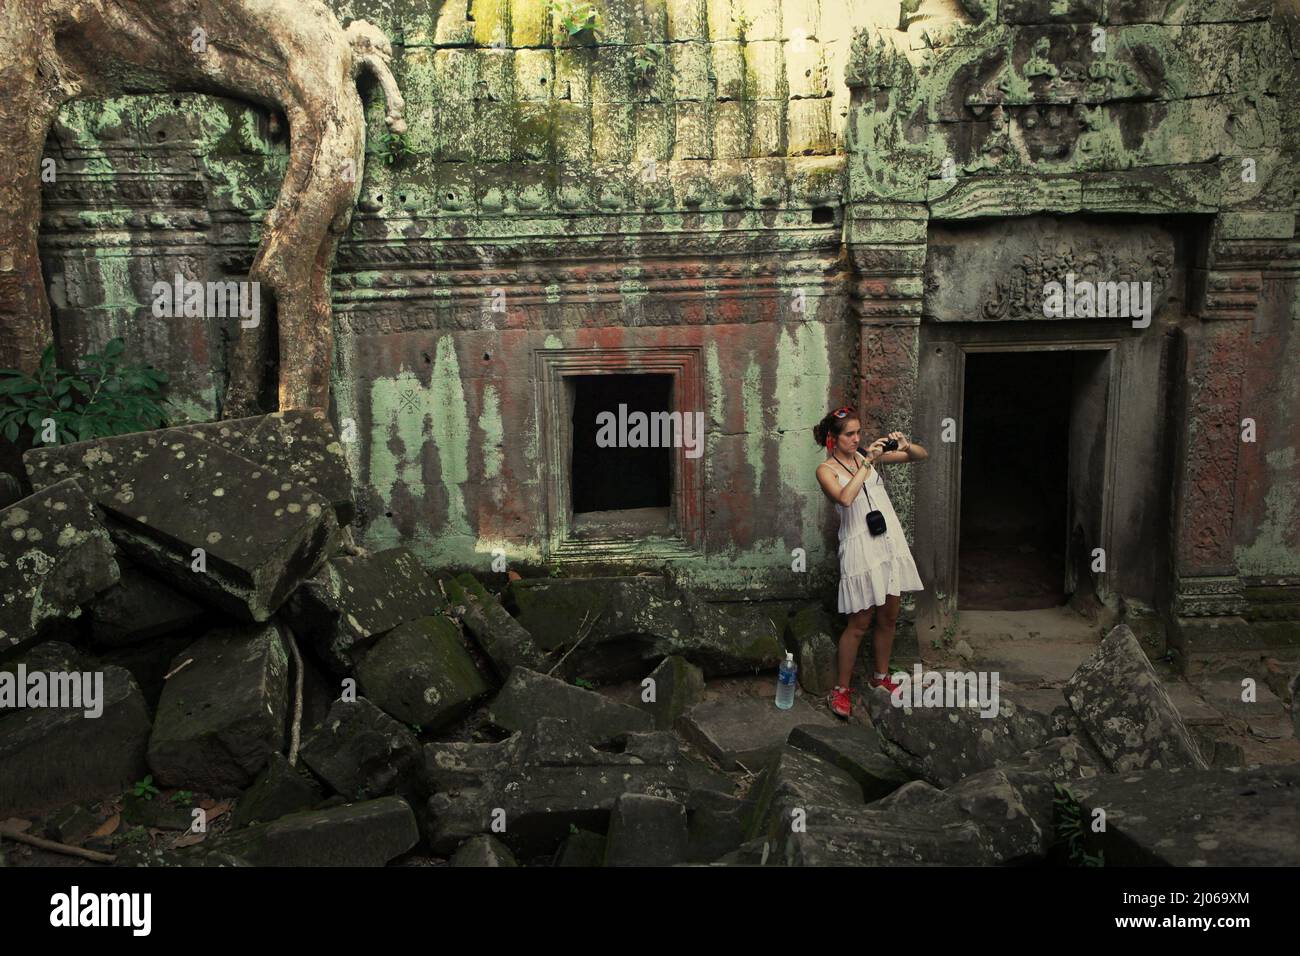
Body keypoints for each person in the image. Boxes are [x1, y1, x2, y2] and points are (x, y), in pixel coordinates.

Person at [813, 406, 927, 718]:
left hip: (888, 543)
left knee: (889, 616)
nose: (857, 438)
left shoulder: (866, 455)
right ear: (833, 439)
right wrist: (867, 462)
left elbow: (920, 456)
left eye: (858, 432)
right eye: (849, 434)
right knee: (859, 623)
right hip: (860, 547)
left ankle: (881, 678)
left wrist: (905, 445)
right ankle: (841, 690)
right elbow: (845, 498)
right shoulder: (827, 469)